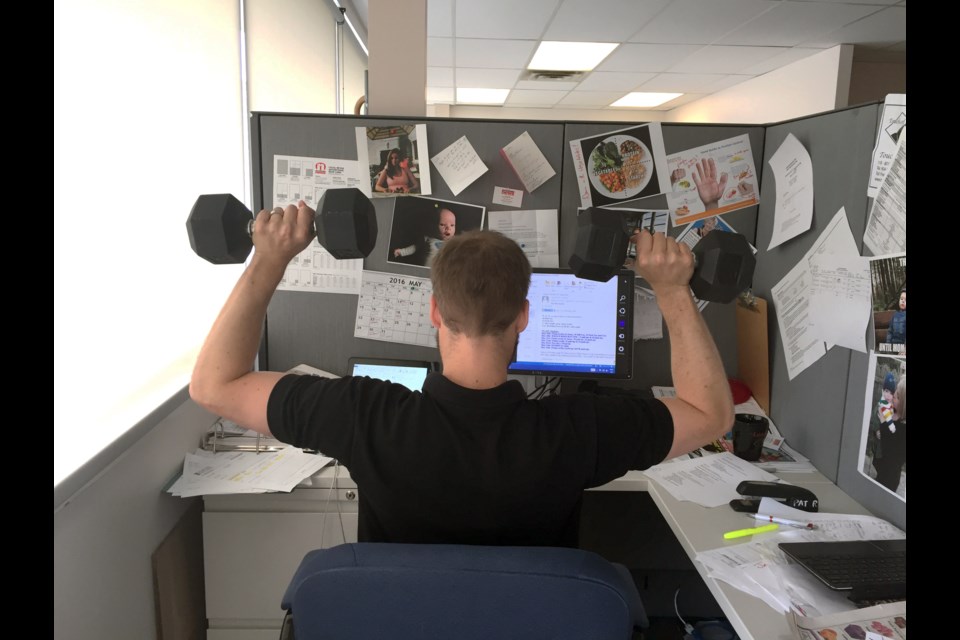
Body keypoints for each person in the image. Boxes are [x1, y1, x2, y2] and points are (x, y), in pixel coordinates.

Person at [190, 200, 734, 547]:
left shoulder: (363, 416)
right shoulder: (578, 431)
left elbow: (214, 385)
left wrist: (269, 258)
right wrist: (671, 289)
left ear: (433, 312)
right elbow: (710, 415)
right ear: (524, 315)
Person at [872, 373, 906, 493]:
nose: (892, 398)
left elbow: (890, 454)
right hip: (879, 467)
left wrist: (883, 422)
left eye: (896, 396)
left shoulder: (903, 430)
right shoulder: (894, 412)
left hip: (888, 479)